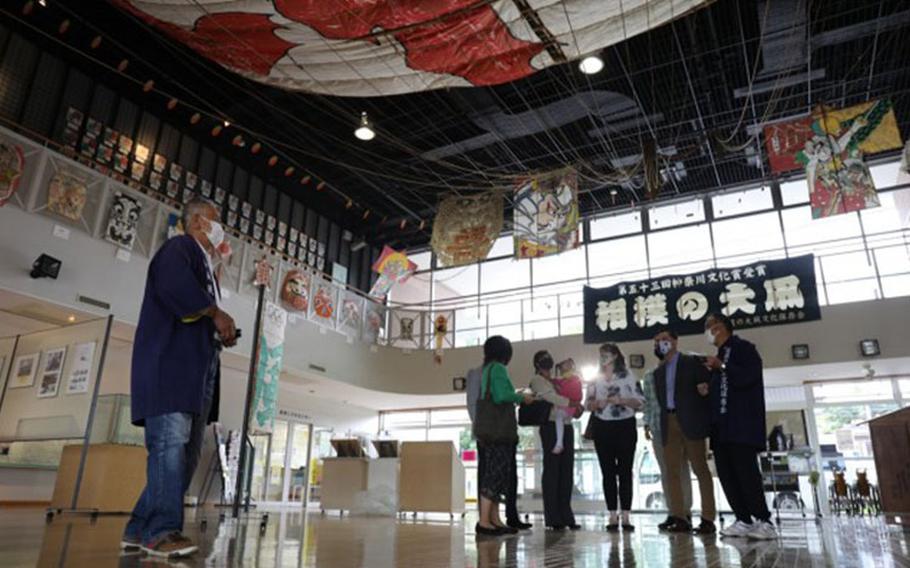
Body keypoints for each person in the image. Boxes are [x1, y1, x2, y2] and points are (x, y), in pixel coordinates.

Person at [123, 197, 238, 558]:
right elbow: (175, 290)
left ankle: (139, 527)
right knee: (170, 445)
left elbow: (203, 313)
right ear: (199, 221)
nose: (220, 228)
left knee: (186, 453)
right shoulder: (179, 248)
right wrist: (216, 314)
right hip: (169, 365)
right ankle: (160, 531)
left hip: (197, 369)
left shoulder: (206, 264)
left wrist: (219, 327)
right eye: (216, 221)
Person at [702, 313, 776, 540]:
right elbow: (721, 391)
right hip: (720, 427)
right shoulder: (719, 357)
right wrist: (707, 389)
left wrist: (722, 366)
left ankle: (764, 520)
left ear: (720, 327)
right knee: (726, 474)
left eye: (709, 326)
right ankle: (744, 519)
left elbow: (748, 378)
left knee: (746, 473)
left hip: (741, 425)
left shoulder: (744, 349)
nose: (707, 331)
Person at [652, 329, 717, 535]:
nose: (661, 343)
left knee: (700, 469)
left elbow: (707, 387)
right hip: (668, 421)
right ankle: (680, 517)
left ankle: (708, 518)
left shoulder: (692, 362)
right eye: (657, 341)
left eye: (665, 339)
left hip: (691, 420)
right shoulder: (658, 372)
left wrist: (705, 390)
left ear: (675, 341)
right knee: (672, 472)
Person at [474, 336, 534, 537]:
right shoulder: (498, 369)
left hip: (490, 431)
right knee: (495, 474)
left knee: (496, 474)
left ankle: (494, 519)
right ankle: (484, 521)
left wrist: (513, 394)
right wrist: (521, 397)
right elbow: (500, 396)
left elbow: (496, 393)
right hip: (498, 432)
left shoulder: (487, 369)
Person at [585, 343, 644, 532]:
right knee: (607, 472)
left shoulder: (627, 375)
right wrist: (596, 404)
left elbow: (640, 401)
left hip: (625, 425)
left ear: (616, 355)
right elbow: (587, 404)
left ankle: (626, 514)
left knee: (625, 471)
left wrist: (622, 400)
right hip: (602, 426)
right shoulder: (595, 378)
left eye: (608, 354)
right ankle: (612, 514)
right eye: (601, 354)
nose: (604, 357)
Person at [528, 350, 579, 531]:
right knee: (552, 470)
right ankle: (553, 516)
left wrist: (574, 405)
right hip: (550, 426)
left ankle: (566, 514)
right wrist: (571, 403)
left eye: (548, 359)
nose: (547, 364)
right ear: (537, 364)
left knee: (567, 470)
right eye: (542, 361)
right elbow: (550, 397)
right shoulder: (537, 381)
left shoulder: (558, 380)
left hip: (566, 425)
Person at [641, 356, 692, 530]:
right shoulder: (649, 376)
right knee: (666, 471)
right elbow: (647, 402)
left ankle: (685, 510)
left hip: (680, 425)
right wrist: (647, 424)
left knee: (682, 469)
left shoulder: (681, 373)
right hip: (658, 427)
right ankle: (673, 511)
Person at [551, 358, 583, 455]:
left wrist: (559, 389)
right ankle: (560, 442)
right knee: (560, 418)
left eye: (567, 364)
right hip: (566, 405)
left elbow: (573, 394)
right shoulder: (563, 380)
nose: (565, 366)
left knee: (559, 417)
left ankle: (559, 443)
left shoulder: (575, 379)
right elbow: (556, 382)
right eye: (563, 365)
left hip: (570, 405)